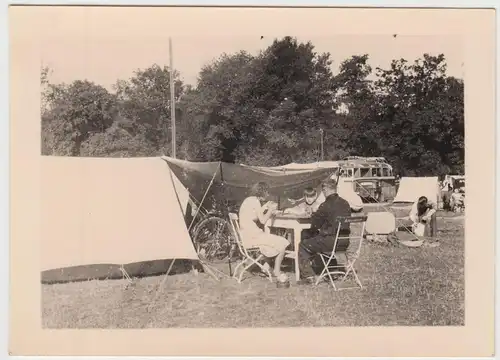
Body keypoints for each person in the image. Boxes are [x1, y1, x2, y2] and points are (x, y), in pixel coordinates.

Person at [297, 178, 352, 285]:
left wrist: (314, 214)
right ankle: (332, 270)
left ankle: (308, 276)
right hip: (344, 241)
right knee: (322, 240)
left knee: (304, 244)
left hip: (330, 242)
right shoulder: (345, 203)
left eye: (323, 191)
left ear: (325, 190)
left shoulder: (325, 205)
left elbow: (314, 225)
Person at [238, 182, 290, 278]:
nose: (268, 195)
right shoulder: (255, 202)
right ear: (263, 192)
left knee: (273, 241)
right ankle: (277, 271)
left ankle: (266, 267)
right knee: (283, 242)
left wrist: (264, 207)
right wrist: (270, 210)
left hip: (246, 236)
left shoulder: (249, 200)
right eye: (267, 192)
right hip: (253, 237)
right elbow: (262, 221)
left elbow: (253, 217)